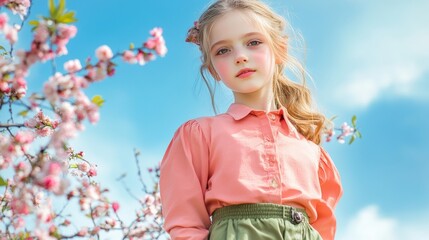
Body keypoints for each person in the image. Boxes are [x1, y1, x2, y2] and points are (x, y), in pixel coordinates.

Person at [159, 0, 343, 239]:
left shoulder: (313, 153)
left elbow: (325, 230)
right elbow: (185, 226)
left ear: (280, 49)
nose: (240, 57)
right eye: (223, 50)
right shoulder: (200, 135)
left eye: (253, 42)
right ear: (213, 69)